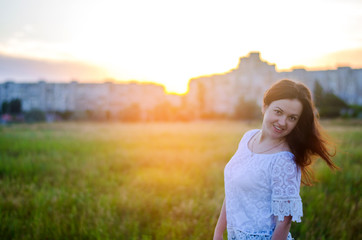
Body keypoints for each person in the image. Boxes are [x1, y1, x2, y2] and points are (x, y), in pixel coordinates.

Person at [213, 79, 338, 240]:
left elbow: (284, 222)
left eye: (292, 118)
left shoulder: (284, 160)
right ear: (265, 106)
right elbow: (233, 190)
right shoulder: (248, 137)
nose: (282, 122)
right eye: (278, 112)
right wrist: (218, 233)